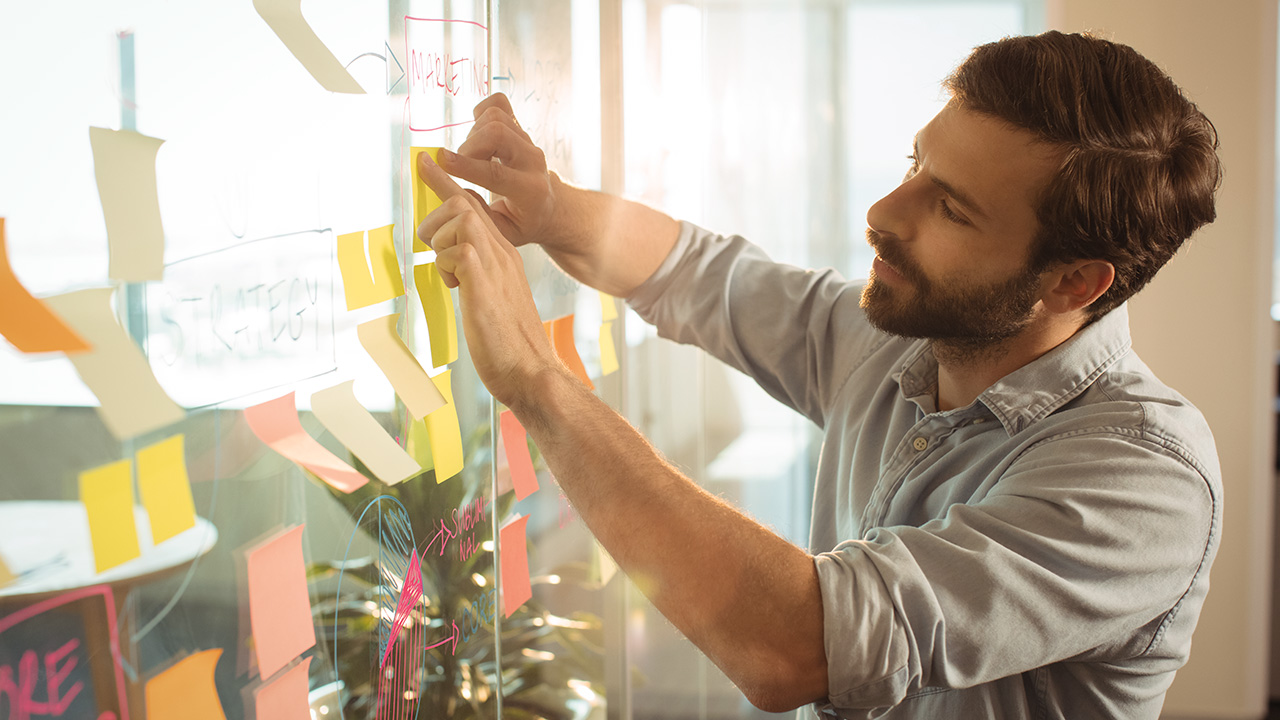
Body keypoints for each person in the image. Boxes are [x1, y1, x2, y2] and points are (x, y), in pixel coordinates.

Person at [414, 30, 1222, 719]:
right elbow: (701, 275)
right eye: (915, 162)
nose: (884, 211)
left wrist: (535, 379)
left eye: (952, 207)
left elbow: (797, 644)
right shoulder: (905, 337)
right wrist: (550, 207)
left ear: (1073, 283)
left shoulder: (1144, 480)